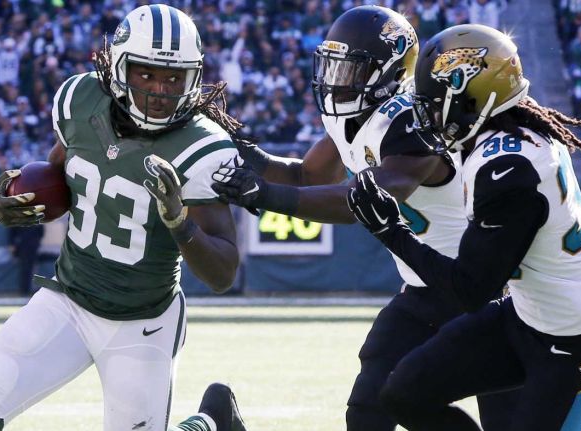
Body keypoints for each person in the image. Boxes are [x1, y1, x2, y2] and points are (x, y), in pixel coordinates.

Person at [211, 7, 516, 430]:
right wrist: (236, 148)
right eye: (332, 65)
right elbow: (308, 175)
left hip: (493, 292)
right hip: (425, 290)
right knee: (370, 409)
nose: (335, 79)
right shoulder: (353, 115)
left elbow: (368, 198)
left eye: (350, 69)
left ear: (389, 72)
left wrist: (265, 195)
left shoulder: (414, 117)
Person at [0, 5, 247, 431]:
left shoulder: (202, 148)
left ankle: (210, 423)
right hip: (68, 301)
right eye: (145, 73)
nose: (159, 90)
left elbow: (223, 273)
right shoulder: (81, 100)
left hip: (143, 320)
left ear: (193, 78)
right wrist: (0, 200)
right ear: (117, 67)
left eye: (173, 78)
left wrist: (179, 223)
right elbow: (60, 172)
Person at [347, 24, 581, 430]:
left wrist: (390, 232)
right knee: (405, 394)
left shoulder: (508, 169)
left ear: (474, 97)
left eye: (436, 102)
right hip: (529, 316)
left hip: (575, 342)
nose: (427, 113)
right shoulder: (515, 131)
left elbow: (471, 289)